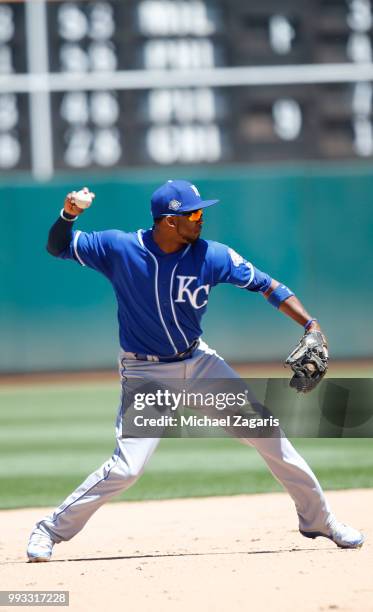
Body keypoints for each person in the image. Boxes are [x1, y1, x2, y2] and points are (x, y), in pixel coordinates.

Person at [27, 179, 364, 562]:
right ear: (169, 221)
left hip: (199, 363)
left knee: (270, 436)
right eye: (195, 213)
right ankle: (49, 530)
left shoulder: (211, 255)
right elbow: (58, 246)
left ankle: (319, 519)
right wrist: (68, 214)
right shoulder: (119, 248)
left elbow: (270, 287)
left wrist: (311, 325)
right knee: (126, 469)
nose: (202, 219)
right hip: (146, 373)